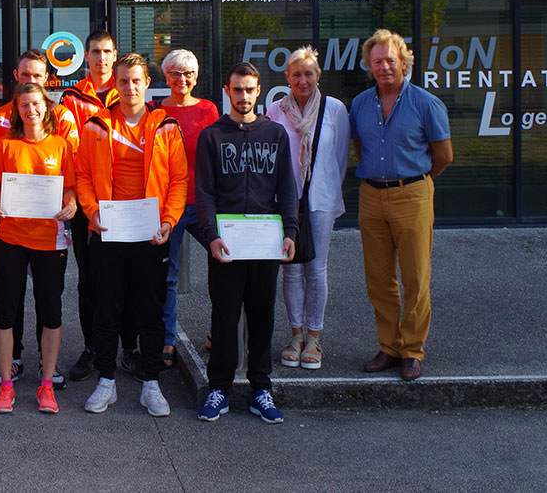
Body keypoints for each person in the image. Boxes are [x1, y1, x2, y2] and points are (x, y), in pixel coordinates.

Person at [76, 53, 186, 417]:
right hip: (109, 230)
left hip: (149, 232)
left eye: (136, 80)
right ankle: (106, 381)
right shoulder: (97, 125)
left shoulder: (165, 125)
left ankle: (150, 384)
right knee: (106, 309)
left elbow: (179, 180)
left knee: (150, 310)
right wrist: (92, 212)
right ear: (115, 84)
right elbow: (83, 177)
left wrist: (169, 220)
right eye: (123, 81)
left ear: (146, 83)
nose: (129, 87)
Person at [191, 61, 297, 424]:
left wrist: (290, 232)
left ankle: (260, 388)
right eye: (237, 89)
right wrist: (212, 236)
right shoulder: (211, 136)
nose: (244, 96)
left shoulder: (276, 134)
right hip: (227, 243)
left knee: (263, 315)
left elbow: (287, 189)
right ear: (227, 91)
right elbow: (203, 193)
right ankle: (219, 387)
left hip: (266, 241)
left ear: (259, 91)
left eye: (250, 89)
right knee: (224, 316)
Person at [351, 29, 452, 383]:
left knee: (415, 277)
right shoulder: (360, 104)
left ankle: (412, 350)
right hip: (371, 196)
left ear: (404, 63)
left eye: (390, 60)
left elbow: (443, 155)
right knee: (379, 279)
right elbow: (360, 149)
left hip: (412, 194)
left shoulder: (426, 103)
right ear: (369, 65)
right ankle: (389, 346)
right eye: (377, 61)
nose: (384, 67)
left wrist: (416, 181)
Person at [0, 48, 79, 386]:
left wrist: (71, 205)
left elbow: (69, 187)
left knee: (49, 305)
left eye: (36, 100)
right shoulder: (4, 140)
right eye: (24, 102)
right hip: (12, 234)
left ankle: (47, 365)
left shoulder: (62, 142)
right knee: (8, 304)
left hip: (49, 237)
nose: (30, 108)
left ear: (46, 102)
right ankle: (10, 362)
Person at [266, 46, 350, 371]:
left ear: (318, 76)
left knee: (315, 269)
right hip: (284, 201)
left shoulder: (335, 110)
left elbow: (339, 157)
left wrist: (323, 187)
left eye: (309, 73)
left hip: (320, 201)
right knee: (290, 269)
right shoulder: (275, 110)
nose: (302, 80)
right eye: (296, 74)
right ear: (287, 77)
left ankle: (314, 337)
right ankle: (295, 335)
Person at [59, 29, 121, 382]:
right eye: (95, 51)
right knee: (89, 280)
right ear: (86, 56)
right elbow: (70, 147)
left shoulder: (126, 89)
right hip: (86, 202)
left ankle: (125, 347)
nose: (101, 58)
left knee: (124, 276)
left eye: (106, 51)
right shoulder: (71, 98)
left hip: (124, 200)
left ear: (115, 55)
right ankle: (92, 347)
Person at [155, 48, 220, 368]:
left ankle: (219, 332)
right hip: (170, 206)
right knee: (167, 275)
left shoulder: (208, 110)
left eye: (187, 73)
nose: (181, 79)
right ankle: (167, 339)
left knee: (224, 266)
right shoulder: (157, 112)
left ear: (196, 77)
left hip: (204, 203)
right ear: (165, 77)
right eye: (175, 73)